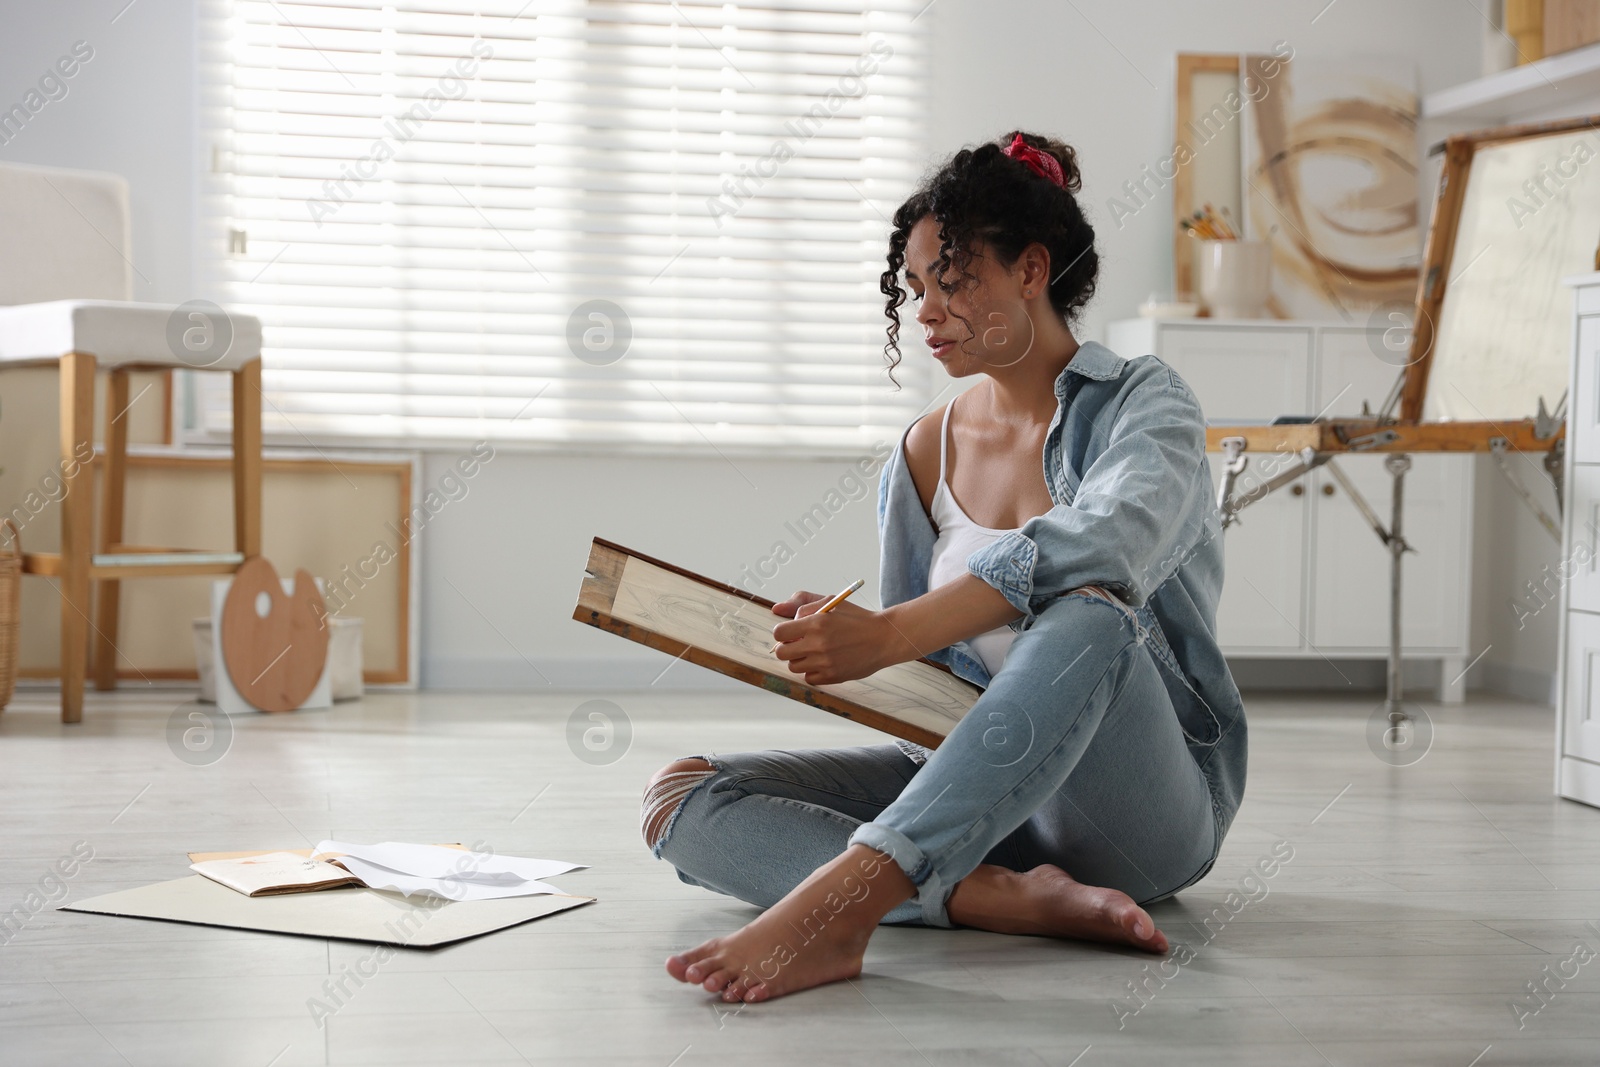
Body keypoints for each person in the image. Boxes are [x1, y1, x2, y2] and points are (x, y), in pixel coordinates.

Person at [640, 131, 1247, 1004]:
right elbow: (930, 689)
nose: (925, 309)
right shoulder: (923, 452)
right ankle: (989, 896)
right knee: (682, 796)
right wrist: (839, 645)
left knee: (1089, 612)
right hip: (984, 800)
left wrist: (889, 632)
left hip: (1140, 814)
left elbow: (1111, 545)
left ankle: (847, 905)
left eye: (952, 278)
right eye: (916, 285)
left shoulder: (1145, 403)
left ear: (1032, 270)